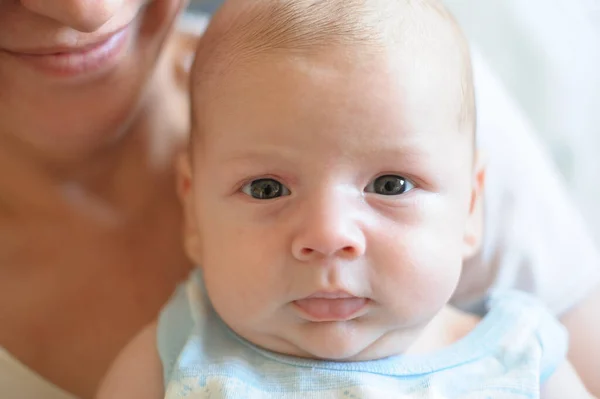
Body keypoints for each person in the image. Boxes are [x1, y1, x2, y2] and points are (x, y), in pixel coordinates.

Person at [0, 0, 598, 398]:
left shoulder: (525, 362)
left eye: (389, 187)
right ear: (195, 214)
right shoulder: (178, 359)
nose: (330, 233)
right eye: (267, 189)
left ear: (472, 208)